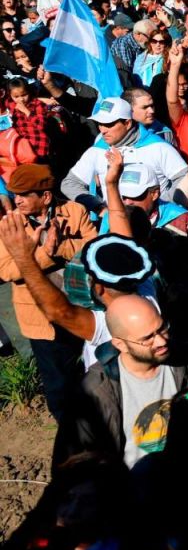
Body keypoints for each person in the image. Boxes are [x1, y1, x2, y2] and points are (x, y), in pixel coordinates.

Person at [65, 295, 188, 467]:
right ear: (120, 344)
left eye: (162, 328)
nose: (161, 341)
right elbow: (82, 463)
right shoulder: (94, 391)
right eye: (147, 338)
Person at [0, 164, 98, 418]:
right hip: (43, 318)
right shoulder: (10, 226)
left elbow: (93, 247)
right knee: (58, 383)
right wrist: (46, 253)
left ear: (44, 196)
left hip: (81, 307)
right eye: (15, 195)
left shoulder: (75, 211)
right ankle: (69, 432)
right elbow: (8, 271)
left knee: (92, 370)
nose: (17, 200)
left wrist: (62, 246)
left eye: (24, 195)